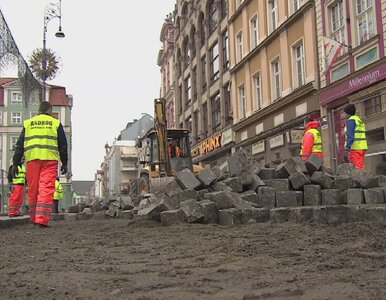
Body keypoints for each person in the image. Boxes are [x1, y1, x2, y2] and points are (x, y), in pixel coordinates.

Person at [11, 101, 68, 228]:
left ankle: (33, 217)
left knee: (33, 190)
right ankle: (41, 220)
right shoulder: (55, 123)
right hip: (49, 160)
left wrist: (15, 163)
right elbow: (63, 145)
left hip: (32, 160)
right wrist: (65, 163)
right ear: (50, 110)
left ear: (39, 110)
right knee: (46, 189)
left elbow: (19, 145)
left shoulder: (29, 123)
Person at [344, 103, 367, 170]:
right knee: (360, 166)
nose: (344, 115)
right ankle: (363, 179)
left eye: (345, 113)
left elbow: (350, 135)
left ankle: (360, 180)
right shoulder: (359, 120)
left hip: (355, 147)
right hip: (362, 147)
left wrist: (347, 147)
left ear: (348, 113)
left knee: (357, 168)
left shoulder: (351, 121)